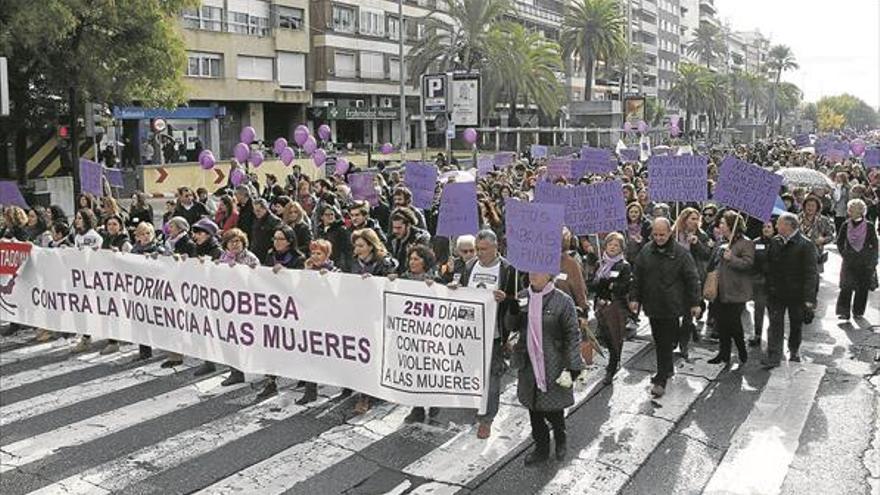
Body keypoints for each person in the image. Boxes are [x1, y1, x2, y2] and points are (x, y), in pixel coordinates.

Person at [512, 272, 582, 465]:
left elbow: (572, 334)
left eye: (538, 272)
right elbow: (512, 326)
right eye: (531, 271)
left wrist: (573, 365)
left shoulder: (562, 301)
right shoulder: (522, 297)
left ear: (549, 276)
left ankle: (561, 438)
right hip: (528, 363)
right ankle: (541, 447)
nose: (532, 276)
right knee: (533, 407)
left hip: (553, 362)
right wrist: (510, 310)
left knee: (553, 408)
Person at [453, 229, 518, 438]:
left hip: (495, 334)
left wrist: (506, 298)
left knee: (491, 377)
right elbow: (463, 289)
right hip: (471, 331)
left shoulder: (508, 269)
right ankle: (474, 404)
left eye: (483, 250)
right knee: (471, 370)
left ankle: (487, 418)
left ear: (495, 247)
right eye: (477, 249)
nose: (479, 253)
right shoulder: (470, 265)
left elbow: (519, 300)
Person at [629, 217, 701, 398]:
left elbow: (692, 279)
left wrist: (695, 303)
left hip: (672, 305)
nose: (659, 238)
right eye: (655, 234)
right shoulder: (646, 251)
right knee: (658, 339)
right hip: (653, 305)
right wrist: (634, 298)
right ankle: (667, 368)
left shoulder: (681, 254)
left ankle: (661, 379)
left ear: (670, 233)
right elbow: (637, 276)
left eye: (662, 234)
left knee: (664, 343)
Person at [348, 228, 397, 414]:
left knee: (376, 353)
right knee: (362, 353)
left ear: (371, 246)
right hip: (359, 314)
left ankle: (369, 395)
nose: (357, 249)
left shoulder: (385, 264)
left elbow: (391, 285)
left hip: (378, 315)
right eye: (356, 245)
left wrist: (375, 281)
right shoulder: (354, 263)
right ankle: (364, 391)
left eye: (361, 245)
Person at [762, 213, 818, 368]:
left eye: (779, 224)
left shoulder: (805, 245)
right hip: (776, 292)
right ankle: (774, 355)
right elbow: (768, 264)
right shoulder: (775, 241)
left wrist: (809, 298)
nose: (776, 227)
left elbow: (811, 273)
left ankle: (794, 350)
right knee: (775, 324)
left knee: (796, 324)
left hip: (796, 294)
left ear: (788, 226)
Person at [394, 244, 442, 423]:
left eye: (416, 259)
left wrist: (436, 287)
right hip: (409, 335)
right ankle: (418, 408)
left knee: (430, 368)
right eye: (410, 259)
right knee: (414, 370)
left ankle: (435, 402)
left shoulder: (436, 279)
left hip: (430, 334)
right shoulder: (403, 279)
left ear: (425, 261)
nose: (412, 262)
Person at [707, 211, 755, 367]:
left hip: (736, 291)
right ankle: (723, 353)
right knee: (721, 323)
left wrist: (732, 258)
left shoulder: (746, 243)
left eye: (723, 223)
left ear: (731, 225)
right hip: (720, 289)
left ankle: (742, 350)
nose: (720, 225)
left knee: (733, 323)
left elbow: (748, 265)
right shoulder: (722, 242)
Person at [296, 239, 339, 404]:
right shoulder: (308, 270)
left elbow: (337, 294)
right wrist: (306, 272)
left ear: (327, 255)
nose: (315, 256)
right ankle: (310, 390)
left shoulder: (335, 270)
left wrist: (327, 279)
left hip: (328, 320)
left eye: (319, 253)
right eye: (313, 253)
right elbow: (299, 290)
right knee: (309, 354)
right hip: (310, 318)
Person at [590, 232, 632, 384]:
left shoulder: (624, 265)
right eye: (610, 244)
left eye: (616, 245)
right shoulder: (599, 264)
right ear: (605, 246)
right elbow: (591, 285)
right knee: (605, 336)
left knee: (615, 337)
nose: (613, 247)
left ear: (621, 249)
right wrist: (599, 282)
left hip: (616, 307)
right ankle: (612, 359)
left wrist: (612, 285)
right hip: (601, 306)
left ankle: (612, 367)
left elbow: (624, 286)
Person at [672, 207, 712, 354]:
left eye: (697, 219)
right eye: (692, 218)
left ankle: (684, 344)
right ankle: (675, 338)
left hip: (692, 278)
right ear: (684, 219)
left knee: (688, 313)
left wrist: (697, 243)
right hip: (674, 278)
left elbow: (707, 254)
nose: (695, 222)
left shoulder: (702, 235)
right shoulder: (674, 233)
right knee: (674, 311)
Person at [835, 199, 878, 320]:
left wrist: (873, 260)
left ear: (861, 211)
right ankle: (844, 312)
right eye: (850, 208)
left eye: (854, 208)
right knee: (846, 286)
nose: (851, 211)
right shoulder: (845, 224)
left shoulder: (869, 226)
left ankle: (858, 311)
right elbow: (839, 241)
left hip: (864, 262)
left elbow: (875, 244)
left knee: (862, 288)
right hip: (849, 261)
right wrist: (844, 254)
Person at [71, 209, 105, 353]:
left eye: (80, 218)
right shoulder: (77, 236)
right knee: (83, 306)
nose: (77, 220)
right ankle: (86, 336)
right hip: (81, 276)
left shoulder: (94, 236)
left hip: (93, 275)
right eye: (76, 218)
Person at [749, 221, 775, 347]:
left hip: (773, 283)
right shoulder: (756, 242)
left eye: (769, 227)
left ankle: (773, 336)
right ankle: (757, 335)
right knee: (758, 310)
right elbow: (751, 261)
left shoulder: (778, 242)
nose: (766, 229)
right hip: (759, 282)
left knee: (773, 311)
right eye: (764, 226)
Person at [799, 195, 835, 276]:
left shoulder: (823, 220)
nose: (810, 208)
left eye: (813, 206)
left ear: (817, 207)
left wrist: (823, 240)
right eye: (808, 205)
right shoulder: (797, 219)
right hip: (798, 254)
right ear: (804, 206)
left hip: (815, 254)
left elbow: (831, 236)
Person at [389, 208, 431, 274]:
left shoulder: (421, 238)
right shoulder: (392, 239)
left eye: (399, 228)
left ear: (408, 225)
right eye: (394, 227)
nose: (395, 231)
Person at [316, 204, 353, 272]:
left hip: (338, 265)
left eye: (332, 214)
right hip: (323, 264)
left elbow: (347, 250)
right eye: (327, 215)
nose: (330, 216)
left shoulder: (341, 230)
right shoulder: (320, 230)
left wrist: (345, 266)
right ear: (321, 217)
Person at [249, 198, 283, 264]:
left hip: (266, 256)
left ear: (265, 209)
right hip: (256, 253)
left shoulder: (275, 221)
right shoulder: (257, 219)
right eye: (254, 210)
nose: (256, 213)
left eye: (258, 211)